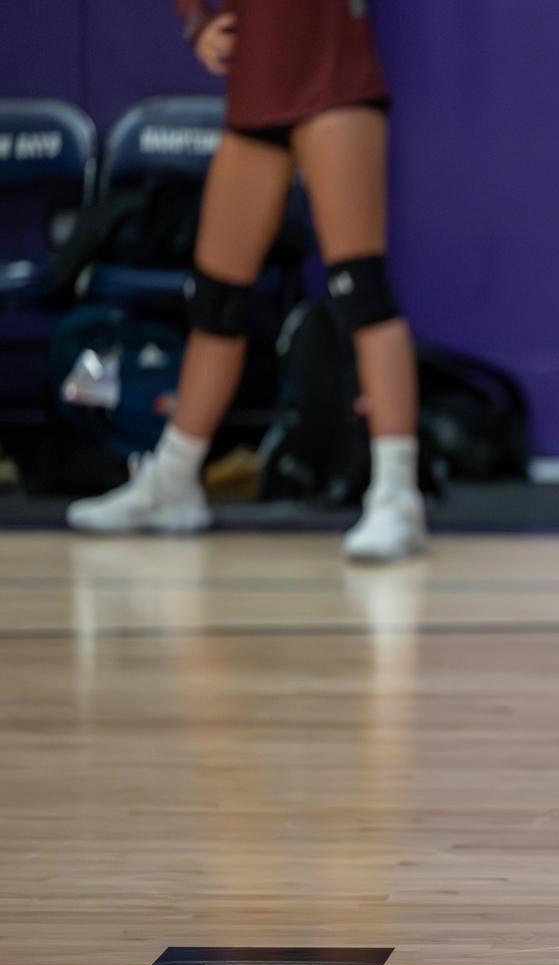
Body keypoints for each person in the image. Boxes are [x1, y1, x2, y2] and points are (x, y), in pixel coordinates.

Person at [66, 0, 426, 560]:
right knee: (215, 301)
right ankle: (174, 482)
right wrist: (196, 20)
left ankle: (397, 496)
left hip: (334, 83)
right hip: (258, 91)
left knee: (361, 291)